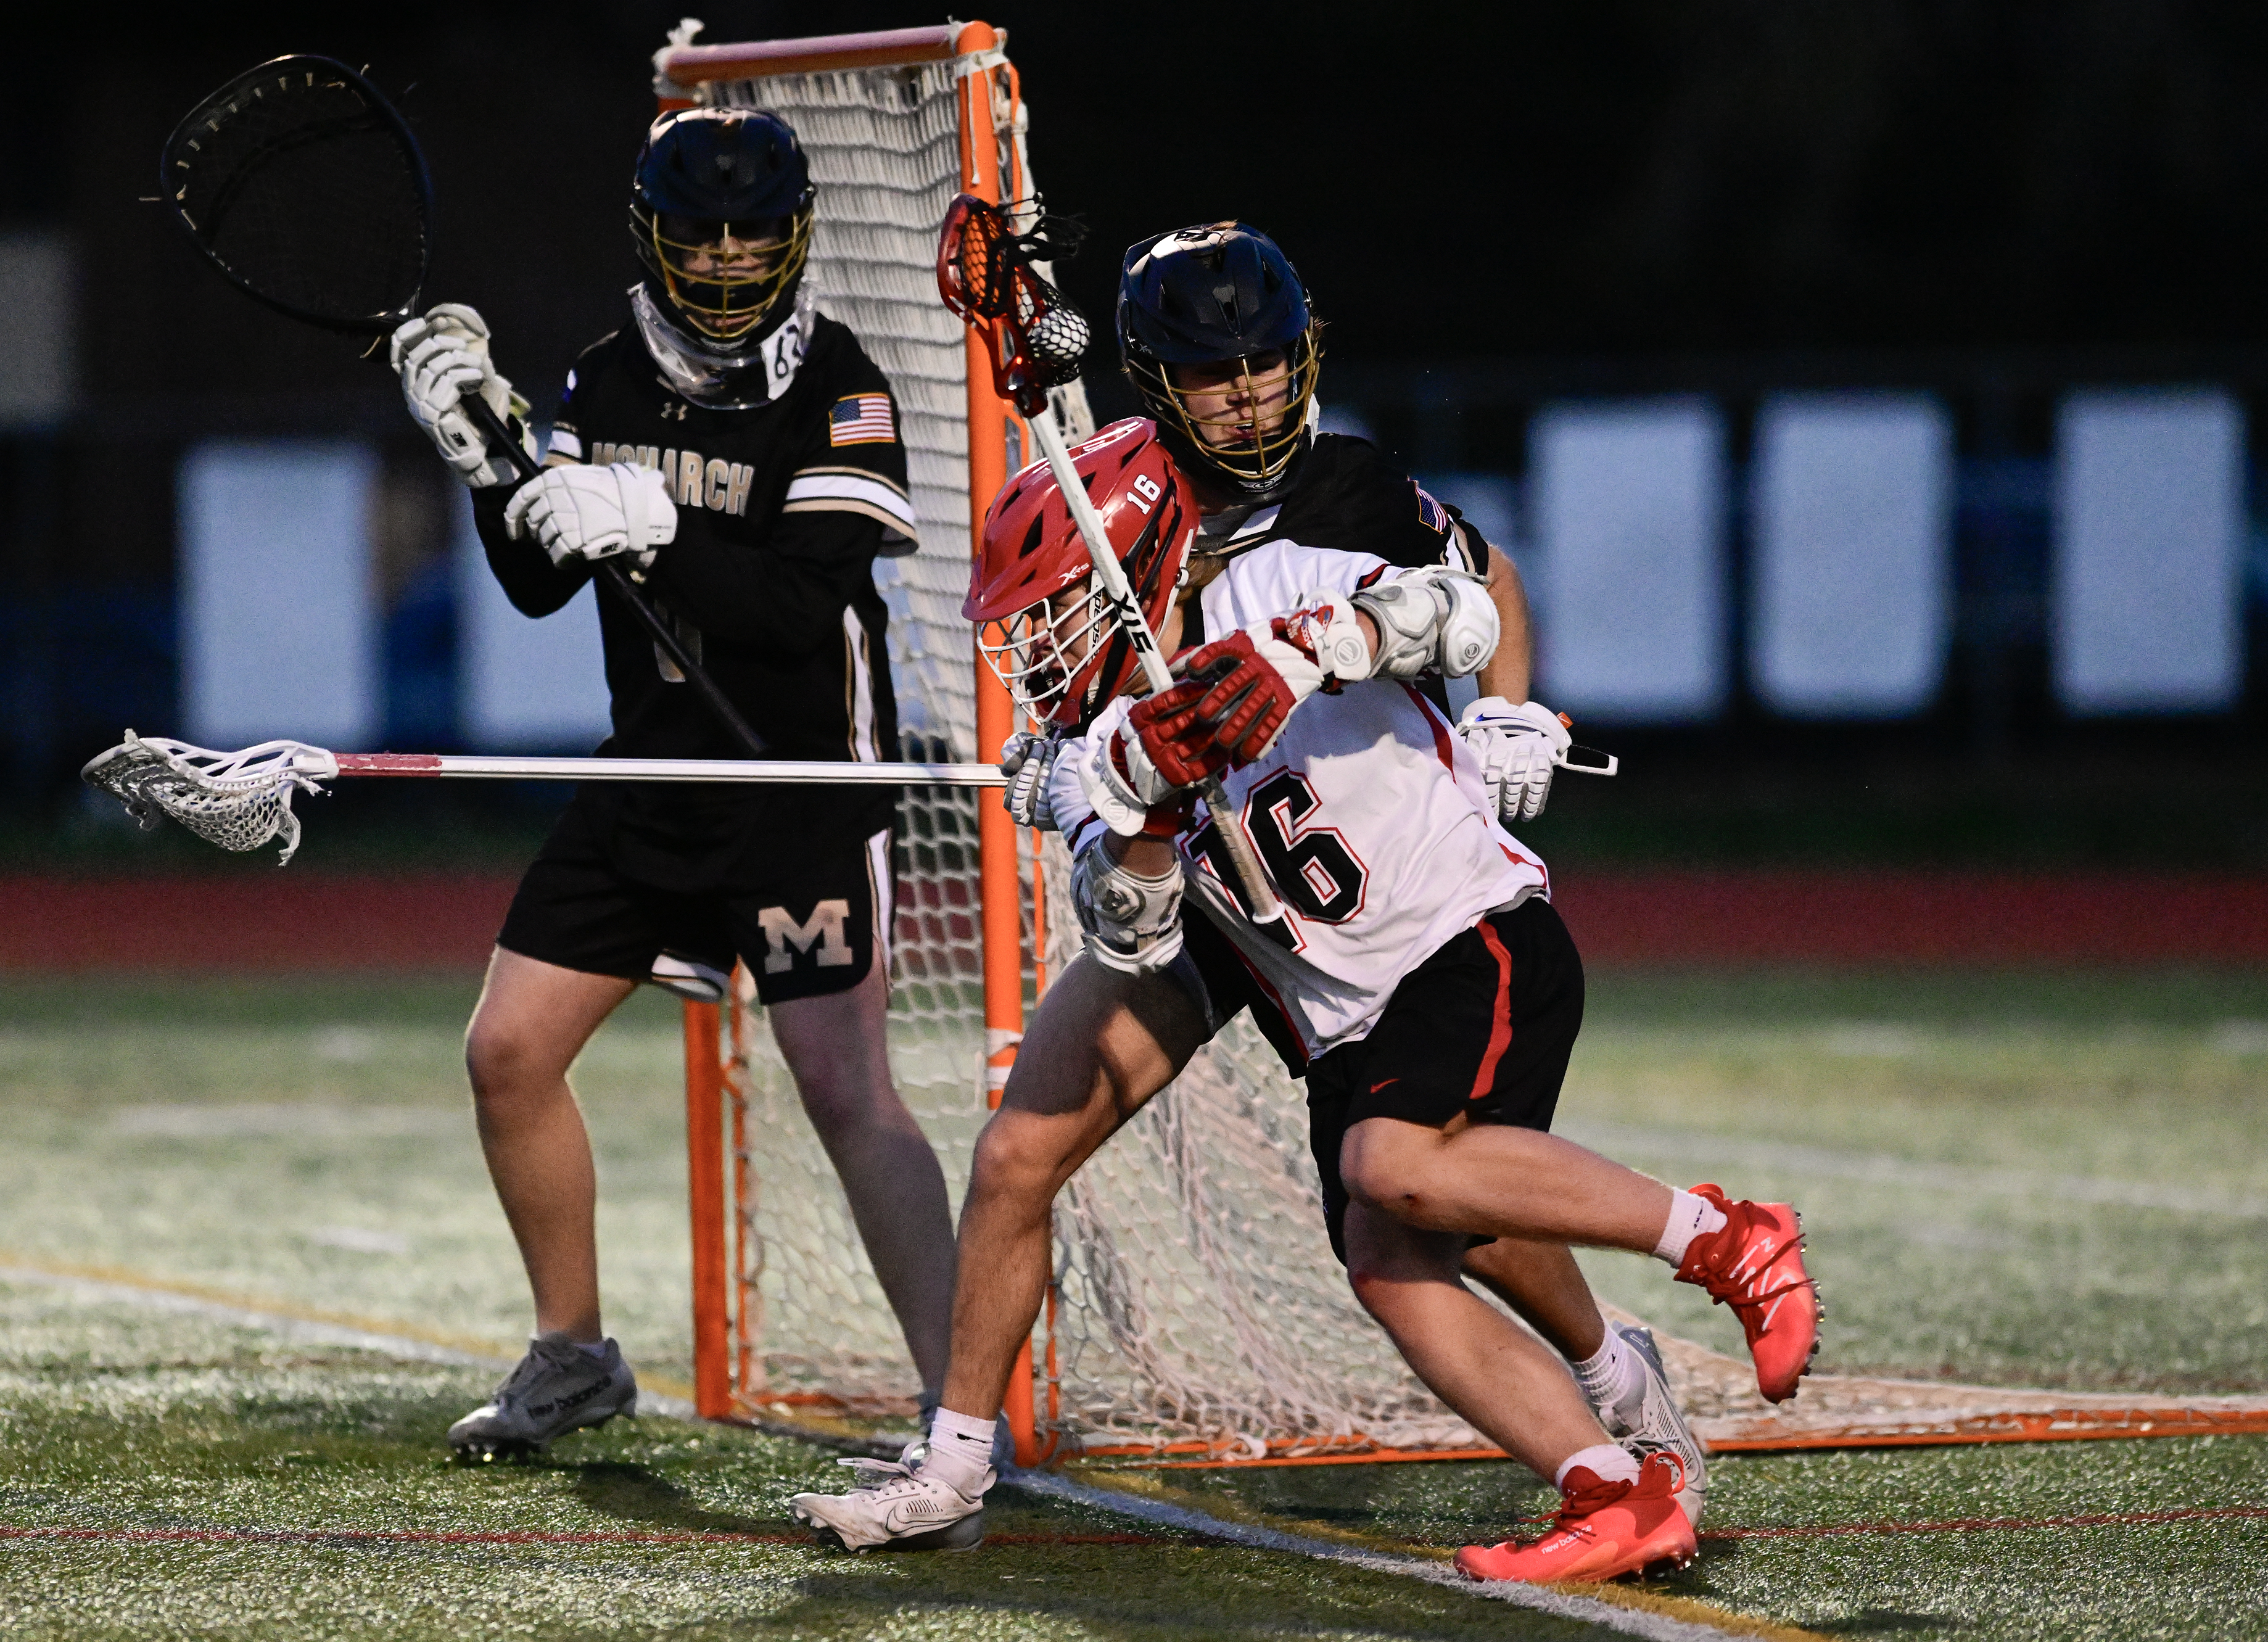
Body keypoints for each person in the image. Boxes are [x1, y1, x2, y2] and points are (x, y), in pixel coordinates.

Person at [790, 227, 1821, 1582]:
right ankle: (956, 1458)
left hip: (1399, 917)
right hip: (1250, 927)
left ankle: (1619, 1376)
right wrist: (1131, 795)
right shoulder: (1118, 585)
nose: (1247, 395)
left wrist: (1406, 667)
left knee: (1423, 1190)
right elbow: (1136, 922)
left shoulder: (1325, 513)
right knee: (1029, 1153)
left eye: (1263, 363)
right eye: (1210, 373)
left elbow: (1465, 598)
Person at [388, 106, 956, 1458]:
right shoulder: (602, 379)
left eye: (748, 229)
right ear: (650, 231)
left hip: (797, 787)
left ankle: (958, 1404)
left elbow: (797, 602)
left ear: (793, 233)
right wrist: (488, 463)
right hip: (651, 776)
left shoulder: (841, 384)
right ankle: (574, 1352)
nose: (719, 256)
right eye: (695, 230)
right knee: (507, 1050)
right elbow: (538, 579)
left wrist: (656, 520)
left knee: (844, 1089)